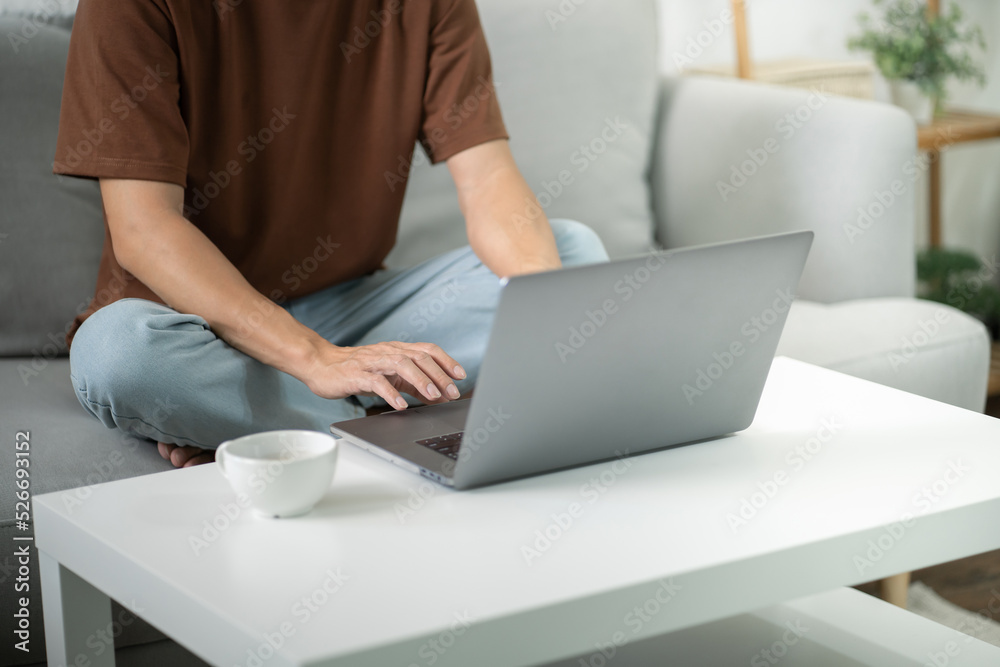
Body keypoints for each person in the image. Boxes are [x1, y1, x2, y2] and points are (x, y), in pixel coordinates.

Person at [54, 0, 609, 468]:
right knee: (117, 355)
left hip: (353, 314)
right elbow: (143, 229)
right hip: (192, 326)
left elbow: (486, 177)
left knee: (569, 254)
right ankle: (390, 421)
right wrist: (315, 359)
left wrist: (546, 316)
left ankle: (269, 423)